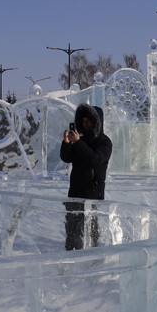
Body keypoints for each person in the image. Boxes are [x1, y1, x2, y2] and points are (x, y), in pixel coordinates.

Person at [59, 103, 112, 250]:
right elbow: (66, 158)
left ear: (97, 122)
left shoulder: (105, 142)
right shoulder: (80, 139)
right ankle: (71, 259)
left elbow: (95, 159)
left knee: (91, 231)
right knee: (72, 231)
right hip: (75, 191)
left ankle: (93, 260)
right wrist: (67, 143)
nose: (85, 123)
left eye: (89, 120)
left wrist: (77, 142)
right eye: (83, 120)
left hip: (93, 193)